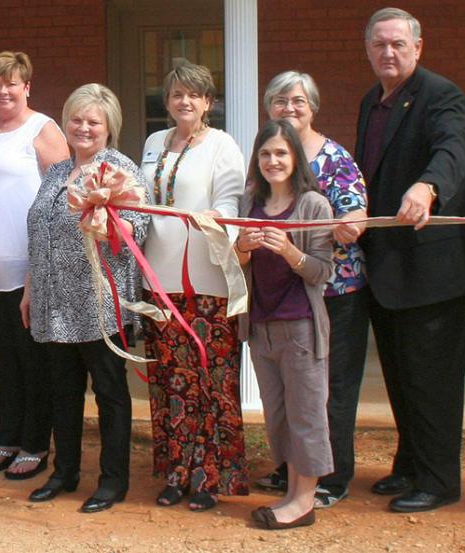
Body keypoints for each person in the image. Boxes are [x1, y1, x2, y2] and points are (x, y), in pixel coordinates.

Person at [354, 7, 465, 512]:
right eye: (379, 45)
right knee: (400, 373)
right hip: (386, 266)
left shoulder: (440, 95)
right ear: (368, 49)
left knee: (432, 379)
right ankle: (410, 463)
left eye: (398, 44)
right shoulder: (372, 101)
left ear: (418, 47)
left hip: (434, 269)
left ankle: (438, 480)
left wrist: (429, 185)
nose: (389, 53)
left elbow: (452, 150)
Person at [24, 83, 150, 514]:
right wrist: (29, 289)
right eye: (76, 119)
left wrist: (115, 224)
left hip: (98, 303)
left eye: (93, 121)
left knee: (110, 393)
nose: (83, 127)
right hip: (52, 301)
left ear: (109, 127)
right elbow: (40, 234)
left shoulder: (119, 169)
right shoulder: (57, 172)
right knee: (63, 392)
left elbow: (138, 229)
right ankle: (65, 472)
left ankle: (113, 480)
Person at [255, 70, 369, 508]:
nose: (289, 109)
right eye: (280, 101)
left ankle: (331, 477)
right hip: (280, 299)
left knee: (329, 390)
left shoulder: (334, 158)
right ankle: (292, 472)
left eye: (298, 101)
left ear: (313, 107)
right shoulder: (269, 157)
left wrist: (348, 226)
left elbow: (356, 211)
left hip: (333, 292)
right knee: (289, 393)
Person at [138, 60, 248, 511]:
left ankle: (209, 476)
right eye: (177, 94)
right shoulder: (151, 143)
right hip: (158, 280)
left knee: (208, 379)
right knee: (169, 378)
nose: (185, 102)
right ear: (167, 102)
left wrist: (214, 224)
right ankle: (176, 470)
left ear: (208, 102)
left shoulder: (223, 145)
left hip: (205, 279)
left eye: (195, 95)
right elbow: (140, 201)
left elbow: (229, 201)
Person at [0, 51, 67, 479]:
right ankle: (6, 438)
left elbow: (63, 197)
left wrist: (40, 267)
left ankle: (35, 444)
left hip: (29, 267)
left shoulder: (42, 130)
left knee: (32, 360)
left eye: (12, 83)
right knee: (1, 360)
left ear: (27, 87)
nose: (3, 91)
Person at [236, 119, 334, 529]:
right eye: (265, 153)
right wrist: (241, 250)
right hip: (260, 327)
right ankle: (293, 494)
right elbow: (237, 268)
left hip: (301, 327)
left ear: (295, 157)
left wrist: (291, 252)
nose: (273, 161)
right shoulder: (249, 202)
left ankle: (302, 502)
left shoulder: (314, 205)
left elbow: (322, 272)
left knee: (306, 414)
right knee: (277, 416)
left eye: (280, 153)